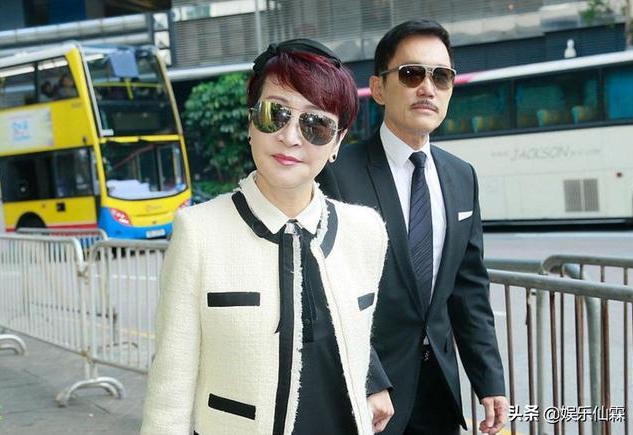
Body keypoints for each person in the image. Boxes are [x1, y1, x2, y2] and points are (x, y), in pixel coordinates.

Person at [141, 39, 391, 435]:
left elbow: (356, 344)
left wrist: (373, 386)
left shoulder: (366, 231)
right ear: (250, 122)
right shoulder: (198, 231)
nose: (290, 137)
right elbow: (170, 384)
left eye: (316, 125)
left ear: (337, 142)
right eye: (276, 114)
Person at [317, 19, 509, 435]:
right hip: (367, 396)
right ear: (379, 88)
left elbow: (469, 292)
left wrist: (489, 381)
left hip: (439, 391)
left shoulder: (462, 177)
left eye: (441, 76)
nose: (427, 88)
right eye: (411, 74)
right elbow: (326, 293)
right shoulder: (337, 173)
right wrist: (370, 380)